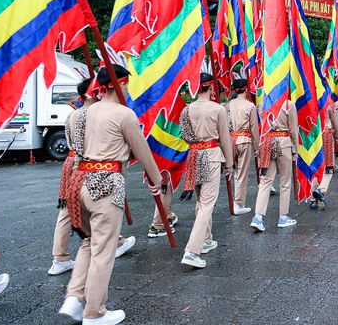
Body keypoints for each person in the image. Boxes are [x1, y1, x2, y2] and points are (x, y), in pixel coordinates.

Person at [58, 65, 163, 325]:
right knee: (103, 250)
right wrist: (157, 180)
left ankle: (74, 296)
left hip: (78, 182)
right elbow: (142, 151)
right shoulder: (124, 114)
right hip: (106, 184)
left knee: (88, 243)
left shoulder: (83, 113)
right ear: (121, 84)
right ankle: (94, 312)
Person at [49, 79, 135, 277]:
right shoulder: (92, 114)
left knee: (68, 210)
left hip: (73, 163)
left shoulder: (73, 114)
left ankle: (60, 256)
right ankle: (64, 256)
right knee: (95, 208)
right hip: (90, 166)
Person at [179, 73, 234, 268]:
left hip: (194, 154)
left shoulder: (186, 110)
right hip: (210, 154)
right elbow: (225, 138)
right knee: (207, 203)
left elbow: (185, 135)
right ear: (211, 88)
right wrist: (229, 163)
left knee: (201, 200)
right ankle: (192, 251)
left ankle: (206, 239)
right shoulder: (218, 109)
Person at [250, 99, 299, 229]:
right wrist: (296, 149)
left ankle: (258, 217)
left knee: (265, 181)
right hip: (283, 142)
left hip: (266, 143)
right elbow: (293, 130)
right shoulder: (288, 104)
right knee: (285, 182)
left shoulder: (261, 105)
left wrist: (257, 147)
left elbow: (257, 128)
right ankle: (283, 217)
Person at [227, 79, 260, 215]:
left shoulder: (228, 104)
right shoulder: (249, 106)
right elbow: (254, 128)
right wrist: (257, 147)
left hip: (231, 139)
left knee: (235, 172)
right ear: (245, 89)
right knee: (241, 173)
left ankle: (236, 201)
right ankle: (239, 203)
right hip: (244, 140)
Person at [309, 101, 338, 209]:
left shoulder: (309, 100)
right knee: (328, 167)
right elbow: (336, 124)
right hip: (326, 134)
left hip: (312, 136)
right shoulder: (328, 103)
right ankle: (321, 190)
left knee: (314, 167)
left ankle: (313, 199)